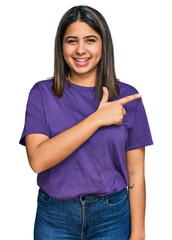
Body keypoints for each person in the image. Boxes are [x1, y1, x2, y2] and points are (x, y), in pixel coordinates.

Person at [19, 5, 153, 240]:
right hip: (55, 218)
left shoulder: (128, 97)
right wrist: (97, 119)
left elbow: (136, 173)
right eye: (72, 41)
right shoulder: (42, 94)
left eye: (90, 40)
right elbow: (38, 161)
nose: (80, 50)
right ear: (61, 46)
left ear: (104, 45)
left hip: (113, 216)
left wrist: (139, 233)